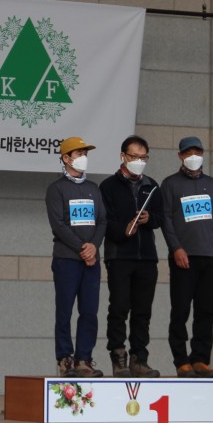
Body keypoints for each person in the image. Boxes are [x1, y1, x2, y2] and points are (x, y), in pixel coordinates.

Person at [159, 136, 213, 378]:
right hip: (183, 257)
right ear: (180, 156)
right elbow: (166, 219)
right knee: (180, 310)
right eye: (188, 153)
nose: (193, 156)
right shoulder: (170, 184)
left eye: (197, 152)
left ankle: (200, 358)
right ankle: (181, 360)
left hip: (209, 255)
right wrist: (176, 248)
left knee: (207, 310)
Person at [99, 135, 165, 378]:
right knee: (119, 307)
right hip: (119, 256)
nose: (139, 161)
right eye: (134, 157)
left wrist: (151, 219)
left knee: (142, 311)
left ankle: (139, 358)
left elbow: (161, 216)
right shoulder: (108, 186)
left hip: (146, 257)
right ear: (123, 156)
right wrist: (123, 230)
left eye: (143, 157)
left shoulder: (152, 186)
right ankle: (118, 357)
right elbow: (104, 222)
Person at [45, 136, 106, 379]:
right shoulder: (56, 189)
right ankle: (65, 358)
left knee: (89, 311)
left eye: (85, 153)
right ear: (66, 158)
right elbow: (58, 225)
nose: (84, 158)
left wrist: (93, 246)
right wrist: (82, 248)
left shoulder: (93, 188)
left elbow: (102, 221)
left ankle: (84, 359)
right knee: (65, 310)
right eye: (79, 153)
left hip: (92, 261)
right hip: (67, 259)